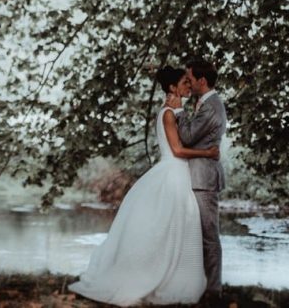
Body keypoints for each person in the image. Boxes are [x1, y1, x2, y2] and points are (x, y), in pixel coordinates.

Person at [68, 66, 218, 306]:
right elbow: (178, 150)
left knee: (180, 226)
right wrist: (208, 152)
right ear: (172, 87)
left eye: (189, 83)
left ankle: (179, 279)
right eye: (184, 83)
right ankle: (156, 279)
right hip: (172, 173)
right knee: (169, 226)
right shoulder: (168, 113)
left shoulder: (175, 111)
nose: (189, 86)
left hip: (178, 174)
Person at [166, 59, 227, 299]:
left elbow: (189, 136)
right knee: (197, 235)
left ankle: (213, 291)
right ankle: (200, 286)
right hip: (195, 177)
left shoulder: (211, 106)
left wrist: (178, 110)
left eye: (190, 79)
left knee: (209, 235)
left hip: (204, 179)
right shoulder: (206, 103)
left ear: (202, 80)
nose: (188, 83)